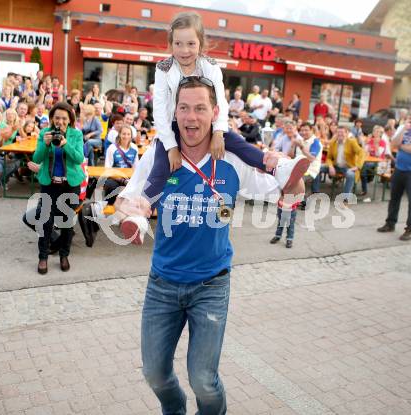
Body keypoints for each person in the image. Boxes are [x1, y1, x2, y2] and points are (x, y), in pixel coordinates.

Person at [113, 76, 306, 414]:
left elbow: (285, 191)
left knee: (203, 379)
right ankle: (175, 409)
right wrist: (128, 208)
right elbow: (130, 196)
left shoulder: (230, 159)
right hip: (163, 283)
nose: (191, 117)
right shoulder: (161, 157)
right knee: (154, 374)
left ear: (215, 113)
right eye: (184, 108)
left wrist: (290, 176)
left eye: (200, 108)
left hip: (211, 285)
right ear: (174, 113)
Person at [131, 11, 309, 244]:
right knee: (161, 166)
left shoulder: (210, 66)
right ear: (170, 44)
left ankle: (278, 168)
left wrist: (218, 133)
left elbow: (221, 104)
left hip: (210, 123)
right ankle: (142, 212)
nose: (185, 50)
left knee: (239, 145)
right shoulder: (164, 68)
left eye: (191, 43)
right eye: (178, 43)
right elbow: (161, 110)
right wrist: (171, 146)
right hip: (175, 124)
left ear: (201, 43)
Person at [31, 102, 85, 274]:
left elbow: (78, 159)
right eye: (57, 118)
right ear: (52, 119)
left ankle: (64, 255)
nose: (60, 122)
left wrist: (65, 144)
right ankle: (43, 257)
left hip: (70, 185)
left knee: (67, 223)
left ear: (69, 120)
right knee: (45, 222)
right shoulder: (44, 133)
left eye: (63, 118)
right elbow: (37, 158)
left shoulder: (76, 134)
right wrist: (45, 144)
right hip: (50, 184)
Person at [377, 117, 411, 240]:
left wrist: (400, 146)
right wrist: (403, 130)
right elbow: (392, 144)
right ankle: (390, 223)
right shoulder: (403, 128)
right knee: (394, 198)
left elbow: (400, 146)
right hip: (399, 169)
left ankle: (409, 229)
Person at [312, 125, 364, 200]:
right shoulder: (333, 143)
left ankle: (346, 197)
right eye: (338, 132)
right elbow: (329, 158)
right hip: (335, 166)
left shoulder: (351, 142)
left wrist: (358, 166)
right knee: (317, 168)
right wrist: (330, 166)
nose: (340, 134)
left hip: (347, 167)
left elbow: (361, 152)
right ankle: (315, 192)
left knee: (350, 174)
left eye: (342, 132)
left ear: (346, 133)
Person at [103, 125, 139, 205]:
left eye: (128, 134)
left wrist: (132, 180)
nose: (126, 136)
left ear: (131, 136)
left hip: (128, 177)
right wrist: (123, 180)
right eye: (124, 134)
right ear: (119, 134)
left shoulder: (134, 148)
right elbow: (108, 169)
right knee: (111, 186)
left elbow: (136, 168)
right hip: (114, 177)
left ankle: (131, 211)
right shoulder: (112, 148)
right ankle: (110, 208)